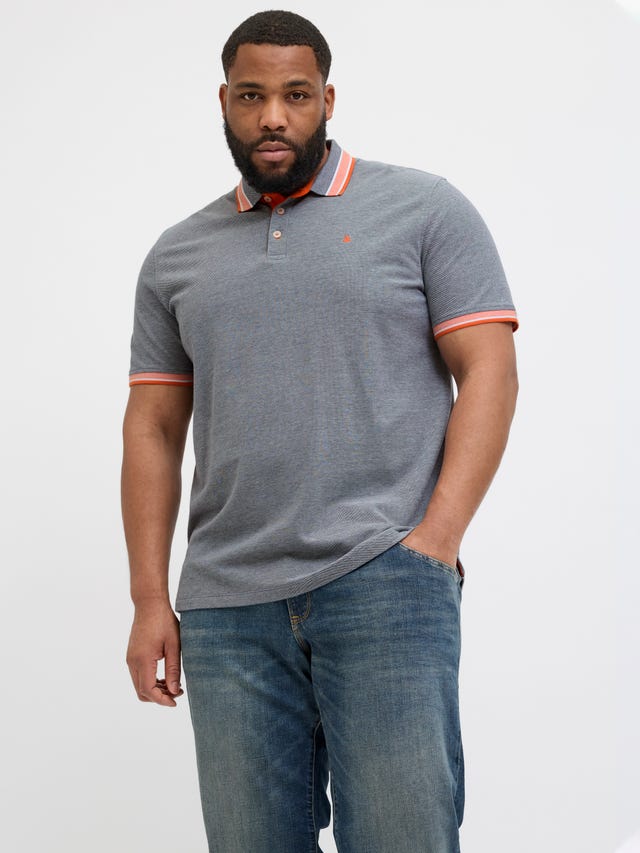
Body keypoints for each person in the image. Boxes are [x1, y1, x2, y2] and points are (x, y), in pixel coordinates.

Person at [122, 10, 519, 853]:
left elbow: (489, 370)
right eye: (251, 96)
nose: (274, 116)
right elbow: (152, 426)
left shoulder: (423, 209)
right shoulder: (177, 254)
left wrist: (435, 542)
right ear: (223, 102)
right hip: (226, 608)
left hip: (385, 581)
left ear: (327, 100)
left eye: (296, 95)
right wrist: (151, 596)